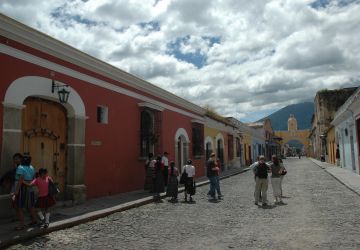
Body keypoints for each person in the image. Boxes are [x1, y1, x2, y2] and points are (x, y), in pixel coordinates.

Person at [12, 154, 37, 230]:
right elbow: (33, 178)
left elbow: (20, 180)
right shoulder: (31, 167)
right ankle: (34, 220)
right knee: (30, 206)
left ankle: (21, 224)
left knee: (19, 207)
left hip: (22, 188)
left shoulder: (20, 167)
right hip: (30, 188)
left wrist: (16, 191)